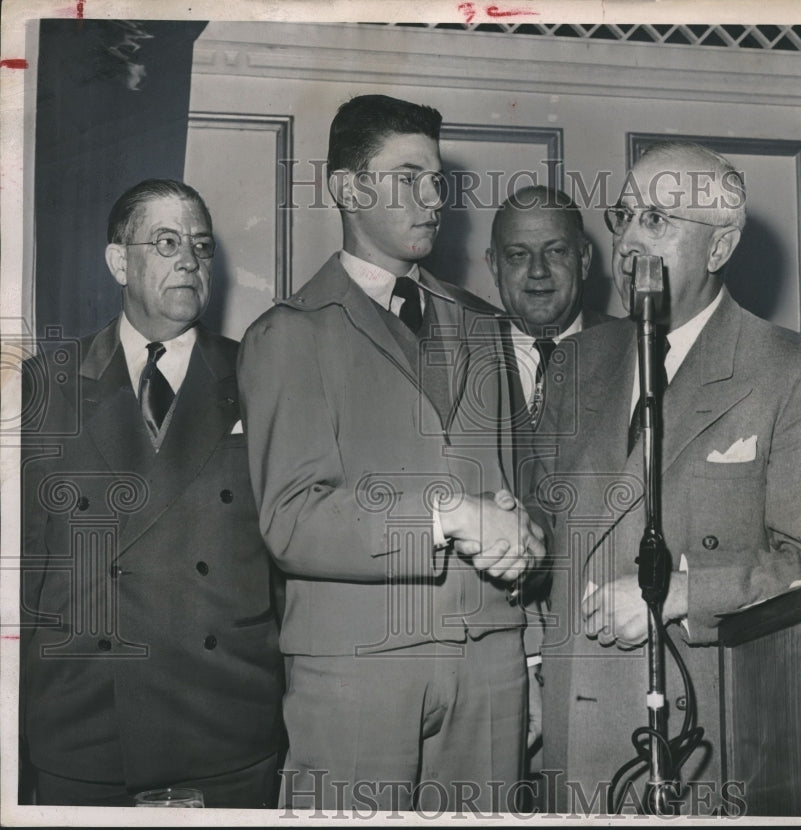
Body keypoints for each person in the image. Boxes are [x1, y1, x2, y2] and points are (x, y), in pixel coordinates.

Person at [529, 141, 801, 813]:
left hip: (703, 738)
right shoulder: (572, 366)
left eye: (657, 219)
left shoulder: (797, 373)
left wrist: (679, 591)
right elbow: (542, 540)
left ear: (719, 248)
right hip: (572, 741)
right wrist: (532, 666)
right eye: (622, 216)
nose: (627, 240)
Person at [237, 94, 545, 813]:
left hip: (488, 664)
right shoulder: (289, 335)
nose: (434, 197)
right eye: (408, 176)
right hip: (356, 672)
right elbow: (293, 521)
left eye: (438, 179)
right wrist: (449, 516)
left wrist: (527, 636)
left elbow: (519, 494)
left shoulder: (482, 326)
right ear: (347, 189)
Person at [19, 179, 285, 807]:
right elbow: (22, 572)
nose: (189, 260)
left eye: (200, 245)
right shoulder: (45, 386)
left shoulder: (259, 374)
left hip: (227, 723)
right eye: (166, 242)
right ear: (119, 260)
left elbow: (288, 563)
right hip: (85, 730)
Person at [486, 185, 614, 759]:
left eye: (556, 252)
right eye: (517, 255)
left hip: (603, 658)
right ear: (492, 264)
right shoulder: (452, 358)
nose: (537, 272)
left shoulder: (638, 354)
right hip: (488, 663)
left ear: (585, 259)